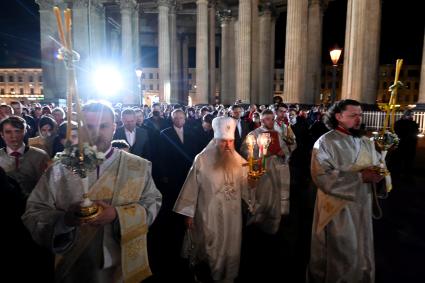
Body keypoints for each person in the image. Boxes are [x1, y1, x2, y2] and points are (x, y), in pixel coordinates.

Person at [22, 101, 162, 283]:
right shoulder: (59, 168)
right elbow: (33, 212)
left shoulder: (137, 166)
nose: (96, 133)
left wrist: (117, 215)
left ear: (114, 128)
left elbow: (152, 202)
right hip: (75, 264)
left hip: (120, 263)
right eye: (89, 126)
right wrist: (65, 221)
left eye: (103, 126)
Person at [308, 99, 386, 283]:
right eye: (353, 116)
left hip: (362, 203)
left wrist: (381, 176)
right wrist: (360, 178)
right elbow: (321, 176)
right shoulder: (325, 142)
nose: (358, 119)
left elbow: (379, 166)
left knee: (362, 248)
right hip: (337, 208)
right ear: (338, 117)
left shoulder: (366, 141)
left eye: (360, 115)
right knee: (342, 250)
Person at [174, 116, 254, 283]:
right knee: (211, 244)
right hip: (208, 212)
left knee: (232, 245)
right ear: (216, 140)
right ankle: (208, 274)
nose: (227, 146)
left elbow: (248, 188)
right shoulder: (202, 159)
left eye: (230, 142)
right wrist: (188, 214)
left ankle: (228, 275)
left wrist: (253, 182)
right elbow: (191, 187)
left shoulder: (240, 162)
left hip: (232, 215)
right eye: (223, 142)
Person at [241, 109, 291, 234]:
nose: (271, 121)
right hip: (262, 172)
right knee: (262, 197)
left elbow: (285, 150)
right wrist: (263, 154)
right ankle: (257, 223)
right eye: (268, 119)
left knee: (275, 198)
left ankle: (273, 224)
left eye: (273, 119)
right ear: (262, 120)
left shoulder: (277, 134)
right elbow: (246, 152)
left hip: (277, 171)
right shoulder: (253, 134)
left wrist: (282, 153)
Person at [0, 116, 50, 196]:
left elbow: (47, 185)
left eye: (17, 131)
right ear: (2, 134)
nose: (13, 136)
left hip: (34, 204)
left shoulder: (40, 156)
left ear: (25, 131)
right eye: (8, 132)